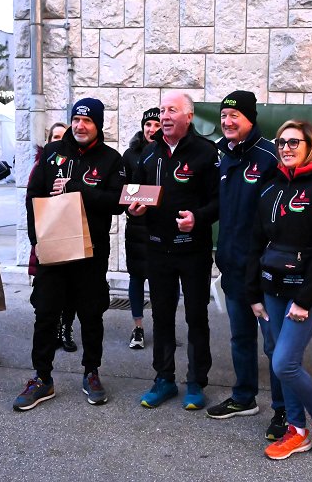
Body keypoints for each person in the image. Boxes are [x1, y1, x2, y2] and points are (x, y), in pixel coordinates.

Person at [15, 98, 125, 411]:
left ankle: (91, 372)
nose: (80, 125)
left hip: (91, 253)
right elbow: (33, 196)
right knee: (45, 312)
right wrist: (36, 240)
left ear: (98, 124)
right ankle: (42, 378)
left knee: (91, 314)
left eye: (87, 121)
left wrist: (78, 188)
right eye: (76, 119)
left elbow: (117, 202)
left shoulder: (111, 159)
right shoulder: (52, 153)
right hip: (53, 250)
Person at [247, 120, 312, 460]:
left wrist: (304, 299)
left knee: (284, 362)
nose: (286, 148)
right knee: (280, 357)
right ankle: (297, 431)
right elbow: (256, 241)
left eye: (293, 142)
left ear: (310, 145)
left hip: (307, 290)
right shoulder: (271, 184)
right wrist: (253, 293)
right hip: (271, 287)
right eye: (281, 142)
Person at [128, 91, 219, 410]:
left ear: (189, 117)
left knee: (196, 316)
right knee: (162, 316)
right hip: (157, 249)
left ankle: (196, 382)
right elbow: (134, 197)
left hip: (193, 250)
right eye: (162, 110)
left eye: (172, 110)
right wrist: (134, 210)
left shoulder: (206, 152)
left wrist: (198, 218)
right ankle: (164, 379)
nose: (164, 116)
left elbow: (218, 201)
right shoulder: (148, 153)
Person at [205, 90, 287, 440]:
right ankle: (243, 397)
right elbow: (221, 207)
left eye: (234, 116)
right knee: (240, 337)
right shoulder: (224, 156)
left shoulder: (270, 156)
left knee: (274, 345)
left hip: (264, 272)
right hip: (232, 266)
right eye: (223, 116)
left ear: (250, 119)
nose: (226, 122)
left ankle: (284, 410)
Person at [27, 122, 78, 353]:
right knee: (46, 292)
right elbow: (31, 201)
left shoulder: (74, 166)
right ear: (48, 142)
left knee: (70, 289)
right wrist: (35, 239)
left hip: (70, 236)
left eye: (62, 137)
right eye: (55, 137)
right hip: (46, 235)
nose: (59, 141)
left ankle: (66, 327)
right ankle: (52, 328)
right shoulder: (41, 167)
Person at [121, 107, 161, 349]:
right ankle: (138, 328)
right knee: (136, 277)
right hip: (136, 227)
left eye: (157, 125)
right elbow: (125, 191)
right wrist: (131, 207)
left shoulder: (167, 154)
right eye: (148, 124)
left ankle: (162, 327)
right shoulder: (130, 155)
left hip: (161, 227)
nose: (152, 129)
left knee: (160, 280)